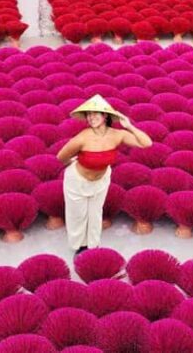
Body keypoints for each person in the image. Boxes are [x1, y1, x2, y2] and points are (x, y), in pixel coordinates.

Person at [56, 94, 153, 255]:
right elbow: (61, 156)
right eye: (88, 114)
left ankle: (93, 246)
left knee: (95, 214)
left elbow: (146, 143)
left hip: (101, 180)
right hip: (77, 181)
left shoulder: (117, 134)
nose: (91, 117)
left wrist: (128, 126)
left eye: (95, 113)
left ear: (105, 115)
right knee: (78, 216)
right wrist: (71, 162)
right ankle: (80, 247)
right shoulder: (83, 137)